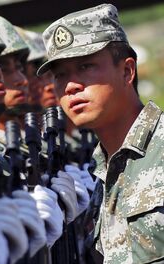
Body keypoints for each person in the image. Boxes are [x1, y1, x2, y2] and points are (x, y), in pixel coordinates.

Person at [38, 4, 164, 263]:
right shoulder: (97, 176)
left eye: (86, 67)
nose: (71, 86)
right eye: (60, 75)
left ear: (127, 71)